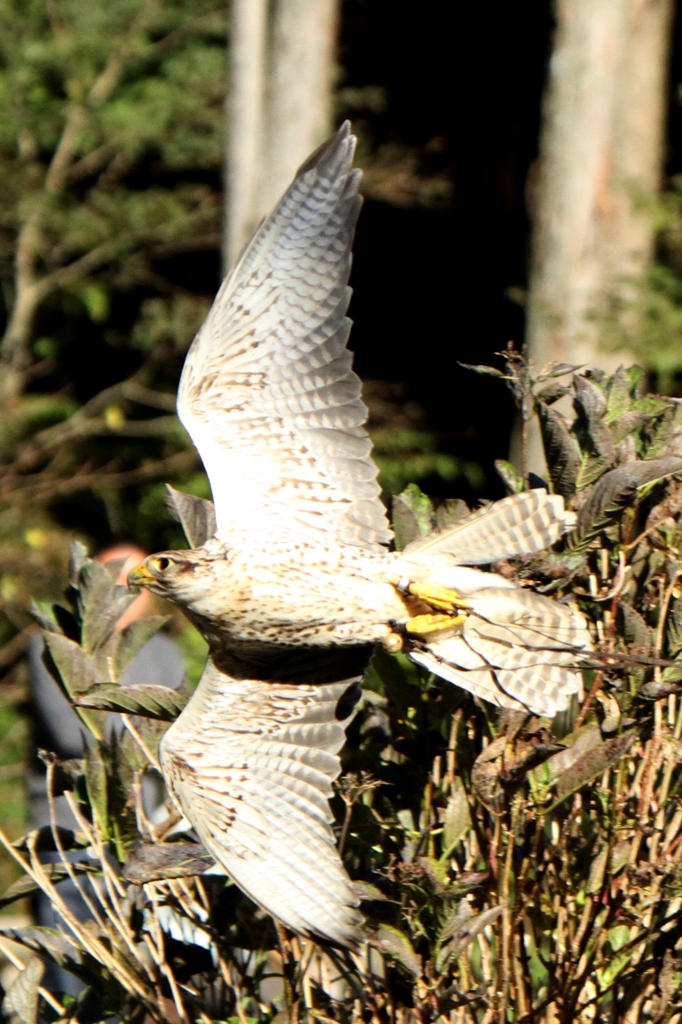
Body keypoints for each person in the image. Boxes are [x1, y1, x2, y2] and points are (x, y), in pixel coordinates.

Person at [27, 544, 186, 996]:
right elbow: (73, 734)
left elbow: (177, 727)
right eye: (114, 574)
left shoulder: (163, 649)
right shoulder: (55, 644)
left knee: (146, 980)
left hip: (144, 832)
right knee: (73, 976)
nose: (127, 586)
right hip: (71, 833)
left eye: (137, 576)